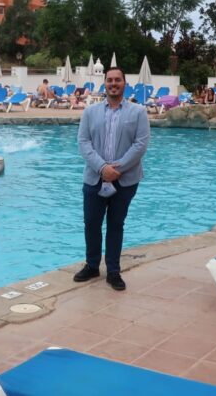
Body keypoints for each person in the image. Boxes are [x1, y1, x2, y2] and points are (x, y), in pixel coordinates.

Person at [75, 67, 150, 291]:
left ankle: (113, 271)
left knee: (116, 225)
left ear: (125, 83)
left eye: (118, 80)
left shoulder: (138, 112)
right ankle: (92, 265)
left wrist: (118, 168)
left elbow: (141, 144)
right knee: (91, 224)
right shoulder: (90, 112)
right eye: (109, 80)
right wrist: (102, 168)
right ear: (104, 83)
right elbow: (83, 142)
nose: (113, 84)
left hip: (125, 180)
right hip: (94, 177)